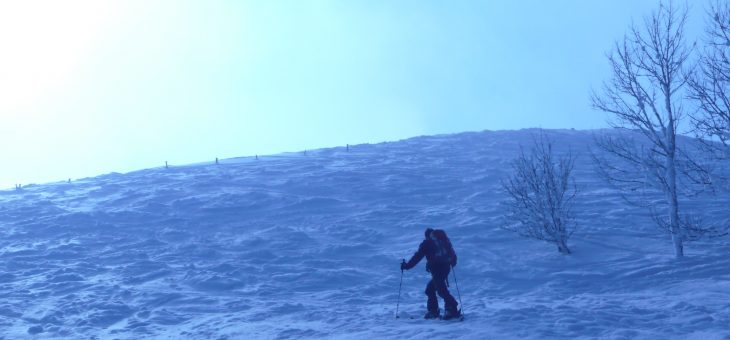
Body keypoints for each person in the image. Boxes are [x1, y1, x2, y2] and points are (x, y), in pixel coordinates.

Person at [401, 228, 461, 320]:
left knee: (441, 290)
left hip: (437, 270)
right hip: (445, 268)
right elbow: (453, 255)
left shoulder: (427, 243)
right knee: (430, 289)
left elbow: (417, 257)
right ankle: (436, 310)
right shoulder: (443, 241)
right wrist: (451, 263)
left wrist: (407, 266)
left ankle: (451, 308)